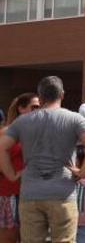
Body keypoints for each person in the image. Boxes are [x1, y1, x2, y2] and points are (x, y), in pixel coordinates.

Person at [0, 77, 85, 243]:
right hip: (62, 192)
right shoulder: (74, 118)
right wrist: (83, 172)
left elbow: (2, 147)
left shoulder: (23, 121)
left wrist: (11, 174)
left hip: (30, 192)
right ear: (62, 94)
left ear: (40, 97)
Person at [0, 93, 39, 243]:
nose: (38, 110)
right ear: (21, 108)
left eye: (40, 107)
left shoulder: (37, 132)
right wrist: (15, 174)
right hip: (9, 193)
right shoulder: (6, 132)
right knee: (8, 238)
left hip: (32, 194)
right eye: (34, 107)